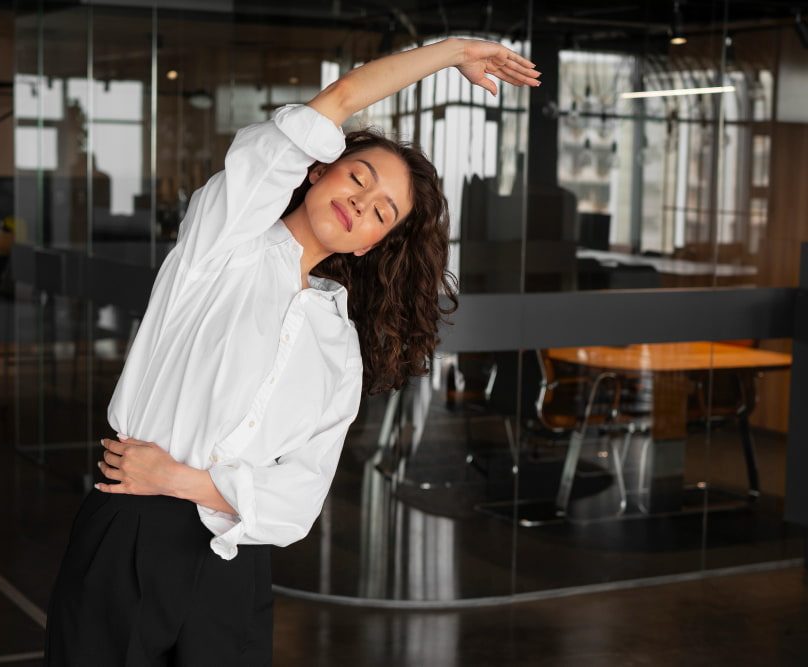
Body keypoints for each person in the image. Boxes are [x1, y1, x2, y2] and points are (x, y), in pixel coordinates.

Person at [44, 36, 539, 666]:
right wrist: (449, 55)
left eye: (381, 212)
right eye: (358, 177)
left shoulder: (338, 347)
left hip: (233, 567)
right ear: (315, 170)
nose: (361, 203)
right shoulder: (222, 244)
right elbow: (338, 100)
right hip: (131, 531)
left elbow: (298, 499)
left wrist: (179, 478)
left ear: (369, 245)